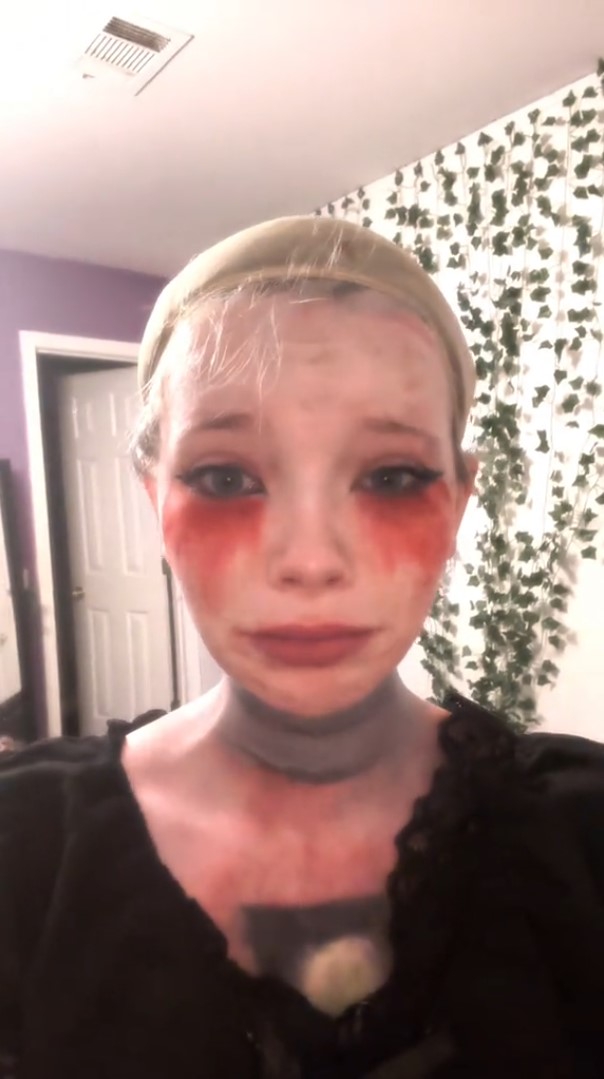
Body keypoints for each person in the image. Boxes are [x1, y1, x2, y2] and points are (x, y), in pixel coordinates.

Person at [1, 216, 603, 1079]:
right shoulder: (23, 847)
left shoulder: (582, 833)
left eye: (392, 476)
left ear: (458, 504)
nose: (311, 561)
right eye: (225, 478)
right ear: (155, 500)